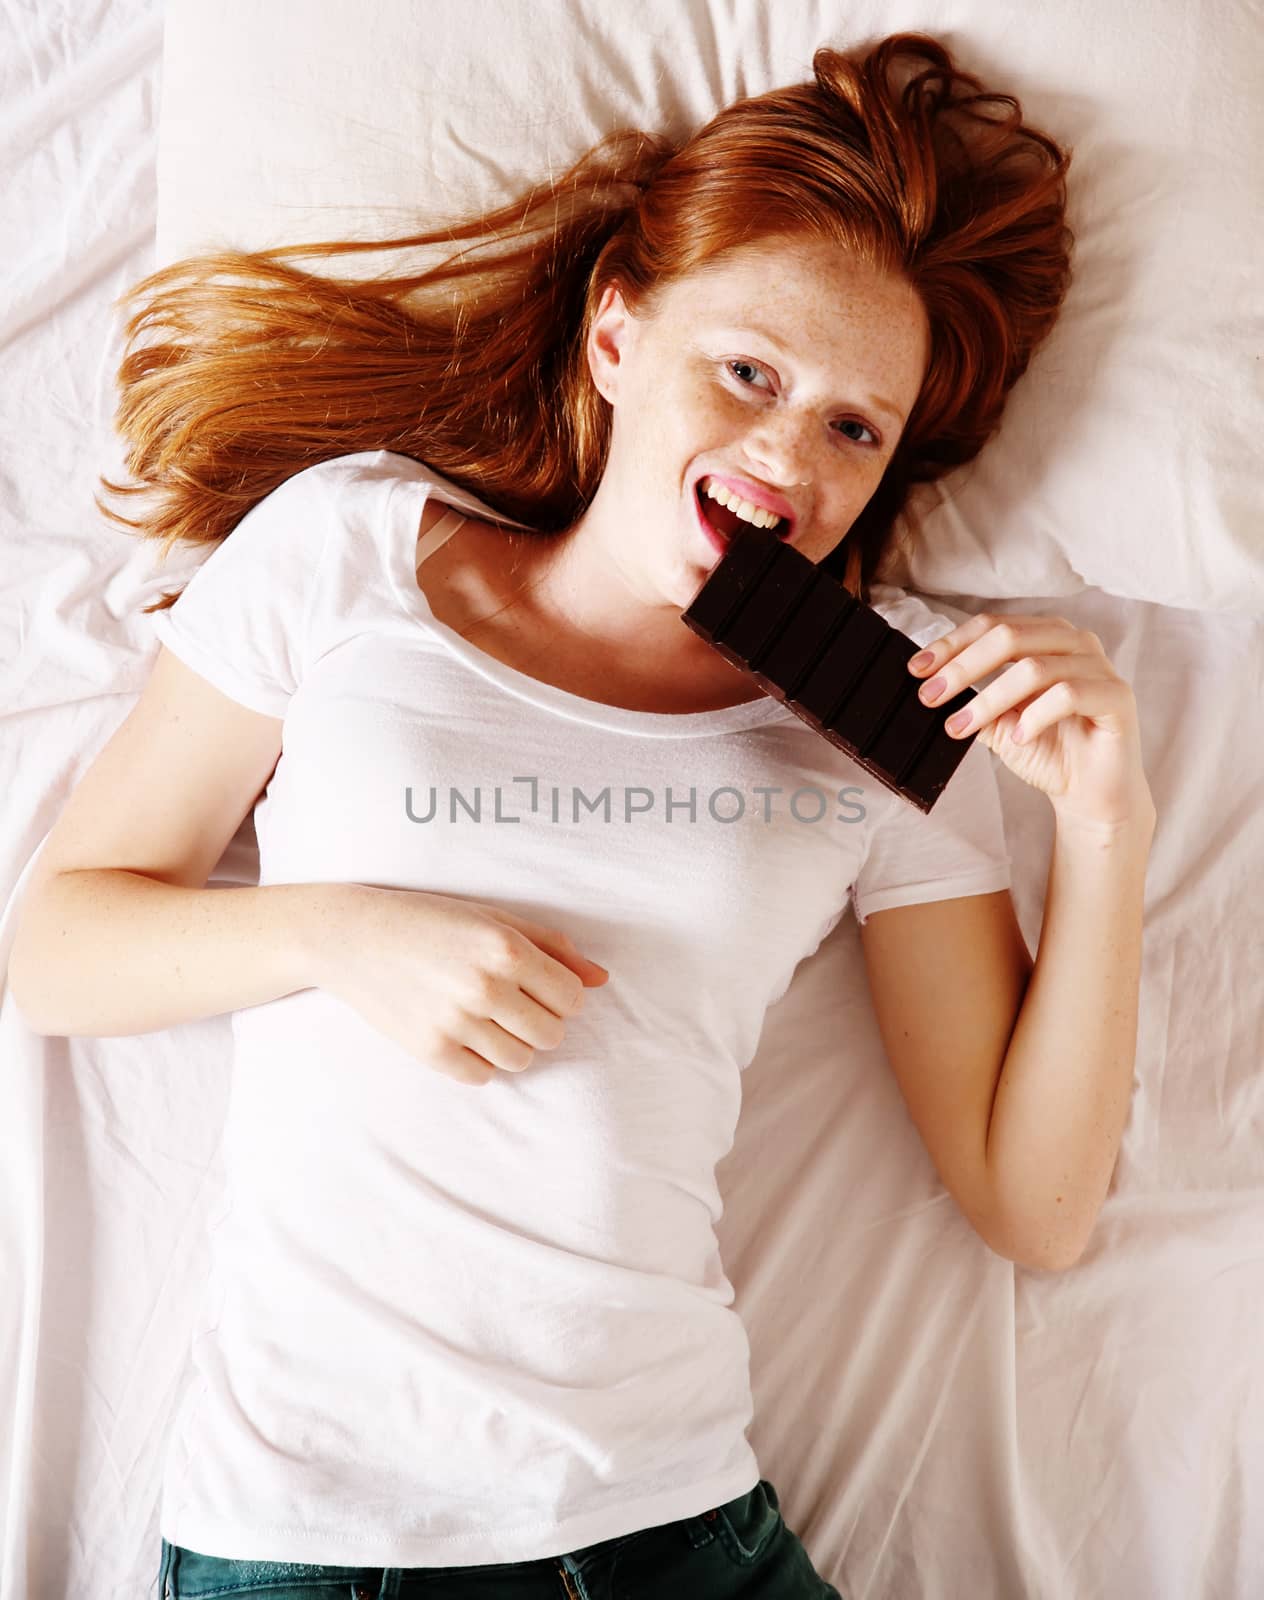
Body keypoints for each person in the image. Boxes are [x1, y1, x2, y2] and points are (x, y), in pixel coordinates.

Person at [8, 30, 1156, 1600]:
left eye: (852, 427)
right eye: (748, 371)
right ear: (618, 335)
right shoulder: (347, 554)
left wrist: (1106, 834)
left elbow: (1033, 1209)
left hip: (673, 1532)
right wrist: (337, 934)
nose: (784, 461)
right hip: (308, 1541)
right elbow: (57, 950)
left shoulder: (892, 724)